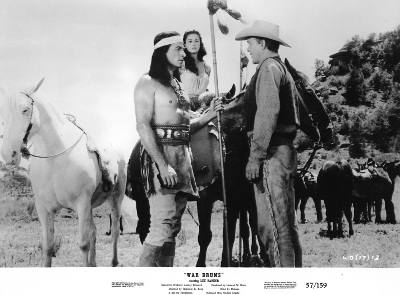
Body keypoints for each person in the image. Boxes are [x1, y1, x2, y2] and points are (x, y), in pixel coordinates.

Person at [134, 31, 222, 267]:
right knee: (161, 227)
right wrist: (162, 166)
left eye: (184, 49)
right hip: (161, 159)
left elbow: (185, 124)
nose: (185, 53)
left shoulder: (177, 85)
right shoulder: (146, 82)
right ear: (163, 52)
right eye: (179, 49)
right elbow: (142, 125)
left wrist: (209, 115)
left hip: (183, 159)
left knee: (173, 227)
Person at [235, 20, 302, 267]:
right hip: (281, 152)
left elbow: (267, 113)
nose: (248, 50)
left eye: (250, 44)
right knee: (285, 225)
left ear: (262, 43)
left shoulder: (267, 69)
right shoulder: (280, 69)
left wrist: (255, 156)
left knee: (272, 226)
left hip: (271, 154)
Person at [180, 30, 211, 111]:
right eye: (190, 41)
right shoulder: (180, 65)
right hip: (185, 107)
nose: (193, 44)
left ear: (200, 44)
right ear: (184, 45)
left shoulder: (207, 68)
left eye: (196, 41)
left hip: (203, 107)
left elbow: (205, 90)